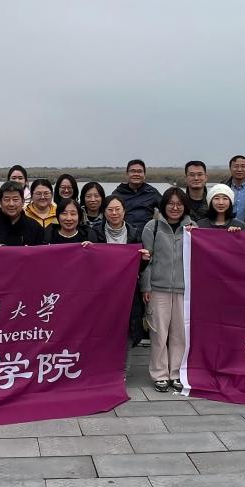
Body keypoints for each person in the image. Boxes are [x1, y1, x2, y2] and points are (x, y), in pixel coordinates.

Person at [141, 188, 196, 393]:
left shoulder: (192, 228)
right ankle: (160, 374)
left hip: (184, 290)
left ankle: (176, 373)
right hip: (157, 288)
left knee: (180, 334)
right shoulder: (152, 226)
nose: (175, 208)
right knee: (158, 333)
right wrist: (146, 286)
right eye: (171, 203)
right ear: (163, 205)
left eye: (179, 204)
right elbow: (146, 260)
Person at [93, 195, 149, 347]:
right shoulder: (95, 233)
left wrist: (144, 260)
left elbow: (139, 268)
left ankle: (125, 362)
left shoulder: (135, 233)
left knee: (127, 331)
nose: (114, 213)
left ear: (124, 211)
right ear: (104, 212)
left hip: (128, 291)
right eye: (110, 210)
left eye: (117, 209)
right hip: (102, 291)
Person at [0, 182, 45, 246]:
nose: (11, 204)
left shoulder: (35, 228)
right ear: (0, 202)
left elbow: (41, 252)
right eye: (7, 199)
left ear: (23, 202)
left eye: (15, 199)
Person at [113, 159, 162, 236]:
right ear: (127, 174)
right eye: (133, 171)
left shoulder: (152, 192)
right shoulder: (118, 193)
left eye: (139, 171)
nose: (136, 174)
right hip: (123, 235)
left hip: (146, 235)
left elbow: (166, 208)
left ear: (144, 175)